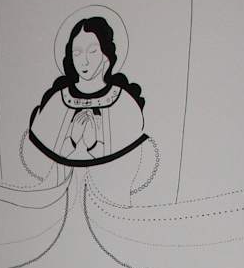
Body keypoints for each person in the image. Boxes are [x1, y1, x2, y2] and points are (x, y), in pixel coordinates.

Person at [20, 16, 153, 204]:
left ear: (106, 55)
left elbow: (135, 167)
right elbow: (37, 166)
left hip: (108, 208)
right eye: (77, 53)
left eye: (92, 51)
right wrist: (70, 142)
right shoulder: (58, 100)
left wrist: (95, 146)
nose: (84, 61)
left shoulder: (123, 102)